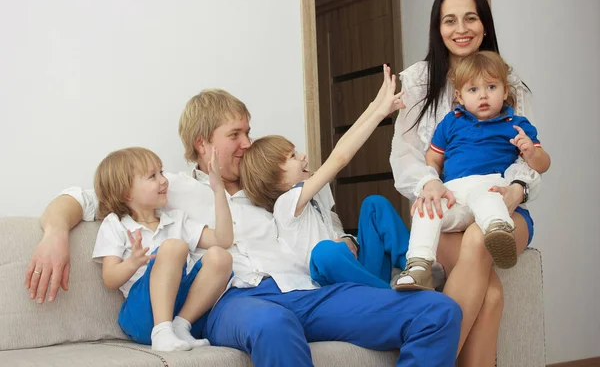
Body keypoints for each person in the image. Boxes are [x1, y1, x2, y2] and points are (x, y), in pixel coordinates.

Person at [26, 89, 462, 366]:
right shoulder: (170, 189)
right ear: (203, 143)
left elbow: (326, 202)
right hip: (236, 300)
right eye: (236, 133)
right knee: (273, 326)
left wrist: (345, 238)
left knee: (437, 312)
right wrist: (54, 234)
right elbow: (84, 198)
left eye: (249, 131)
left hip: (306, 291)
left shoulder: (270, 186)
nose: (248, 142)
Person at [390, 0, 543, 366]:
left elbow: (528, 152)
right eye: (450, 21)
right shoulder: (418, 82)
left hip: (503, 208)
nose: (461, 29)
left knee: (481, 238)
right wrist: (429, 183)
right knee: (490, 295)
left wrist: (517, 191)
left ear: (485, 25)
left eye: (470, 18)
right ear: (437, 29)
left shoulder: (506, 80)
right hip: (448, 214)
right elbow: (406, 157)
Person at [395, 51, 550, 291]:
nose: (483, 96)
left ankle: (498, 232)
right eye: (473, 90)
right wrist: (431, 182)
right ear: (459, 96)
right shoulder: (451, 121)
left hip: (490, 185)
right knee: (427, 210)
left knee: (489, 197)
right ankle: (418, 265)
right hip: (455, 195)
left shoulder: (516, 124)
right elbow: (433, 159)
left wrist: (531, 152)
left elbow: (543, 164)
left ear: (506, 92)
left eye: (491, 87)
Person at [241, 65, 403, 289]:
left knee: (374, 205)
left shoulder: (314, 191)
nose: (303, 156)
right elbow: (339, 158)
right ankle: (386, 294)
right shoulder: (286, 205)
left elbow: (343, 143)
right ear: (275, 178)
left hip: (360, 273)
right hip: (334, 284)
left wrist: (376, 103)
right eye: (293, 156)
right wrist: (379, 114)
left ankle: (414, 267)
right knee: (325, 253)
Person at [92, 147, 233, 351]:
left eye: (162, 172)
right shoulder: (116, 224)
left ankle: (180, 327)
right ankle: (162, 332)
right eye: (152, 176)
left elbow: (223, 239)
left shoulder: (175, 219)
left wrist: (219, 190)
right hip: (142, 316)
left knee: (221, 257)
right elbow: (110, 279)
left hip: (181, 309)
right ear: (126, 192)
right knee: (173, 247)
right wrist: (132, 263)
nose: (163, 180)